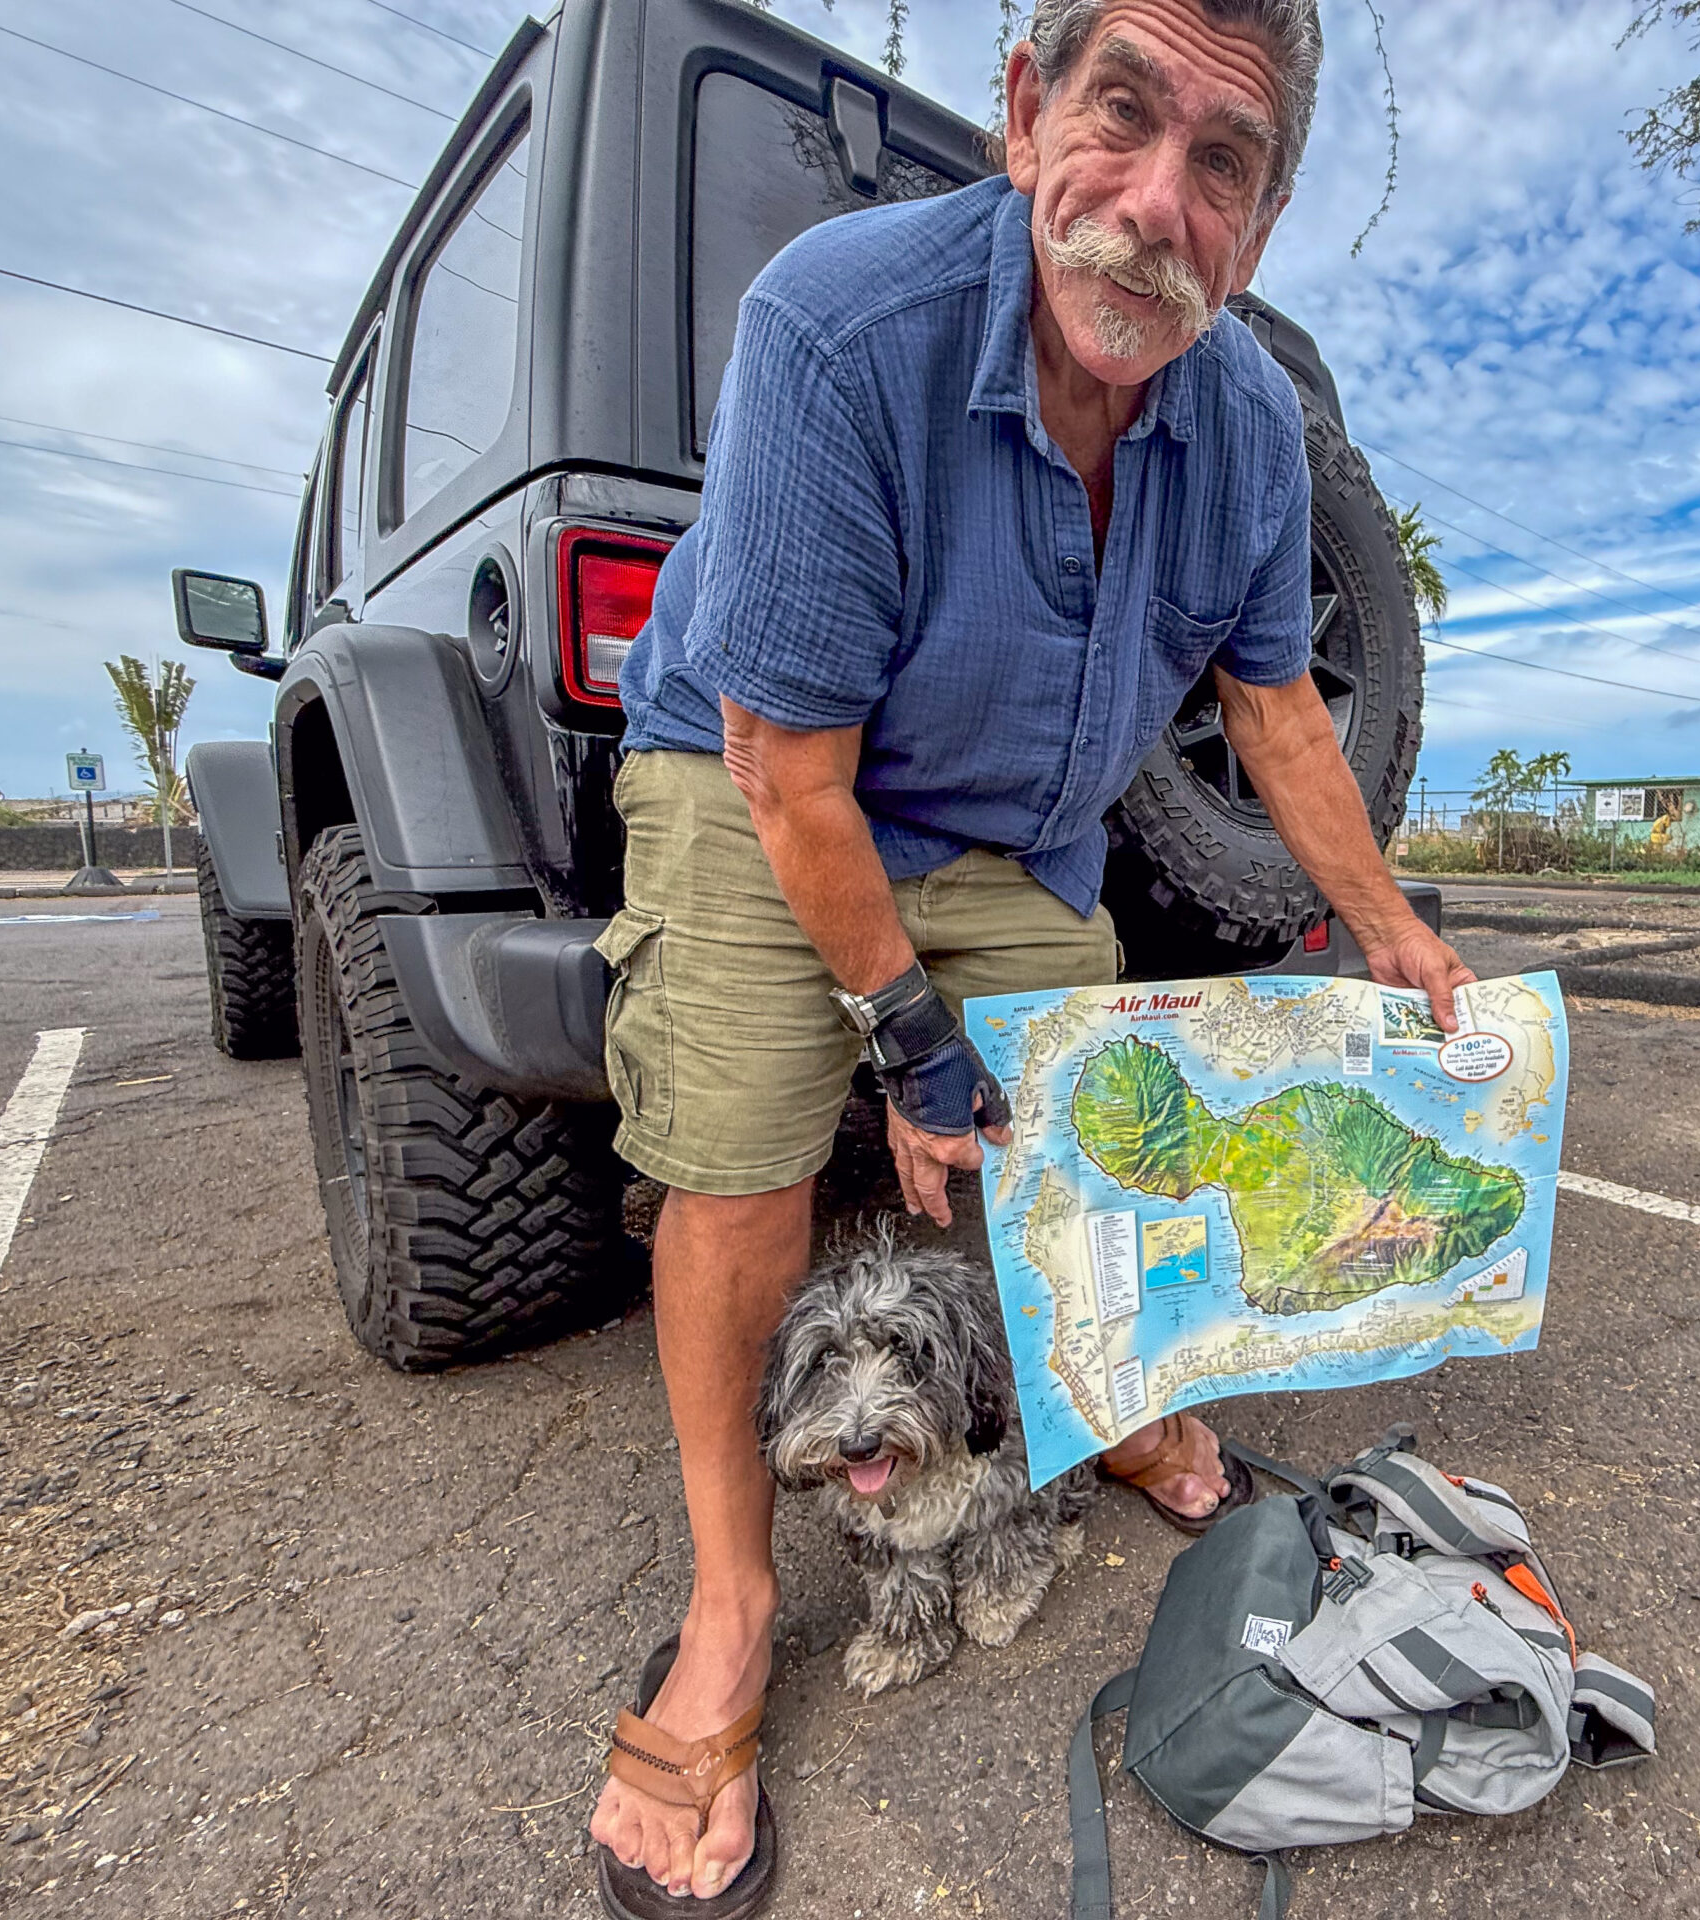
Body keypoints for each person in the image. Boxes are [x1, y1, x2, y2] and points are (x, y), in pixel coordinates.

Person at [585, 0, 1474, 1910]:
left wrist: (1397, 932)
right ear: (1023, 111)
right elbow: (786, 768)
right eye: (1121, 115)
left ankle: (1103, 1400)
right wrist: (912, 1052)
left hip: (1014, 829)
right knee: (741, 1150)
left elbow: (1281, 716)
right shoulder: (842, 329)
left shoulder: (1242, 419)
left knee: (1096, 1132)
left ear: (1266, 211)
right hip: (773, 792)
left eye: (1220, 163)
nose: (1153, 207)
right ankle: (733, 1601)